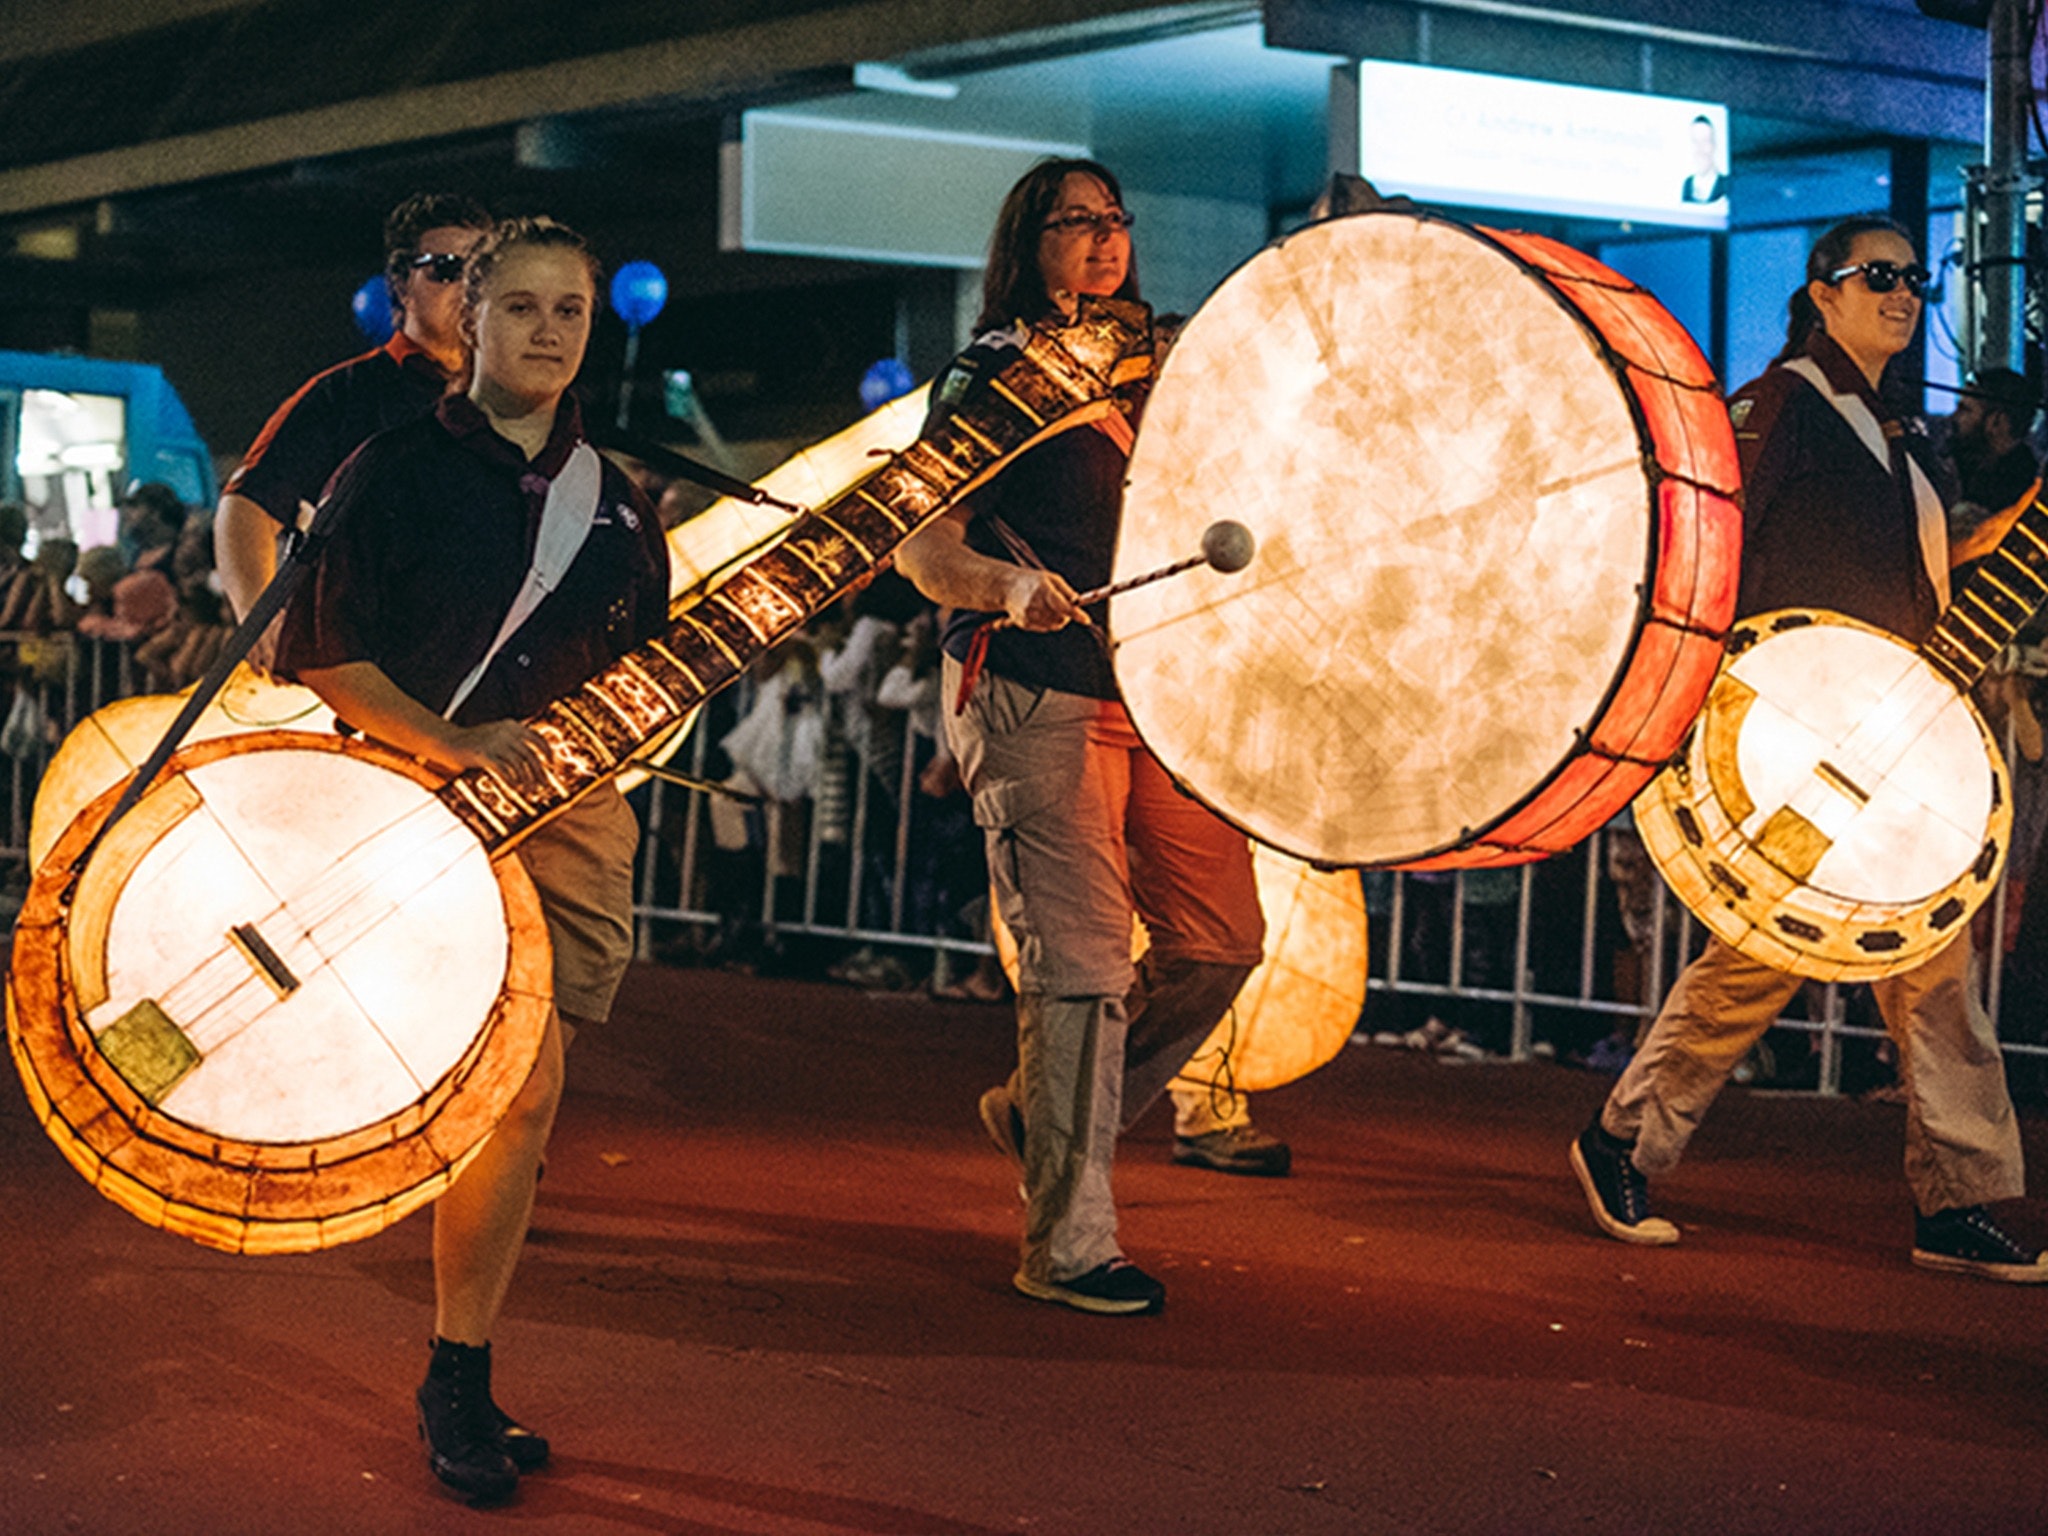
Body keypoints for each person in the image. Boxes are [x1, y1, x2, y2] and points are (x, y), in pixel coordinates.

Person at [1570, 217, 2046, 1283]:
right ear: (1819, 293)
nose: (1902, 293)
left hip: (1895, 740)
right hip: (1790, 730)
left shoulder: (1903, 436)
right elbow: (1711, 548)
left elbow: (1925, 564)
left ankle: (1952, 1198)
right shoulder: (1777, 407)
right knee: (1781, 952)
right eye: (1877, 275)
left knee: (1904, 969)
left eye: (1912, 278)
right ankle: (1623, 1140)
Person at [275, 216, 671, 1498]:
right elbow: (323, 657)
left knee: (530, 1099)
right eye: (522, 309)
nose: (548, 331)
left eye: (571, 311)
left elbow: (642, 672)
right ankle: (457, 1374)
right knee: (517, 1085)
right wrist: (450, 744)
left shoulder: (619, 499)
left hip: (570, 826)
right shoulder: (389, 468)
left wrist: (630, 743)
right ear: (471, 322)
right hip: (412, 810)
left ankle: (461, 1362)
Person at [895, 159, 1271, 1317]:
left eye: (1115, 218)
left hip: (1162, 696)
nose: (1103, 239)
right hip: (1032, 688)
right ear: (1026, 243)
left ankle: (1040, 1114)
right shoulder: (990, 377)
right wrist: (1005, 586)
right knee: (1081, 968)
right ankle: (1066, 1241)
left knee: (1218, 943)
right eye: (1074, 223)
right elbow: (919, 546)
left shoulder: (1157, 367)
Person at [216, 191, 491, 621]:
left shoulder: (505, 398)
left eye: (481, 273)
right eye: (447, 270)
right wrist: (262, 621)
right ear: (402, 283)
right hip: (366, 651)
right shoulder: (345, 395)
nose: (467, 289)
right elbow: (246, 506)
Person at [1947, 365, 2040, 537]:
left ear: (1997, 422)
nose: (1953, 418)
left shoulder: (2015, 490)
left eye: (1965, 410)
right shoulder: (1971, 473)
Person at [1681, 115, 1727, 205]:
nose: (1700, 148)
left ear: (1714, 145)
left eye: (1705, 141)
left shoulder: (1727, 185)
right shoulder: (1688, 184)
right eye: (1695, 141)